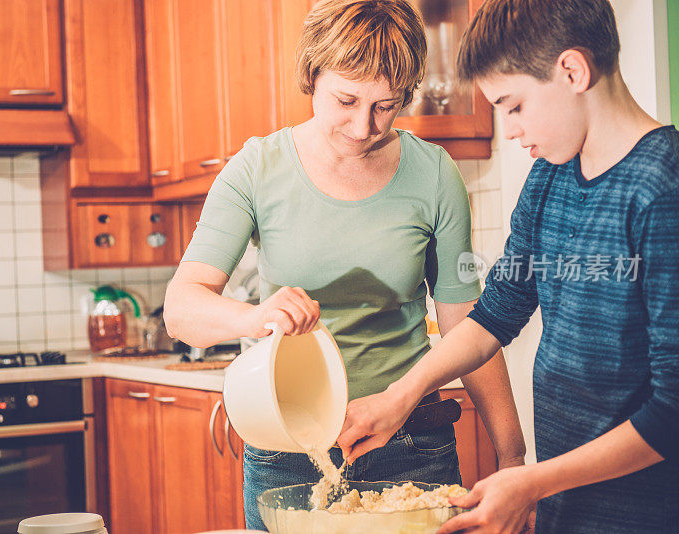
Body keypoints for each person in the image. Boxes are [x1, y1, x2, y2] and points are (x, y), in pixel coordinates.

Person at [163, 0, 526, 530]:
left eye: (386, 106)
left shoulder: (435, 175)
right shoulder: (257, 169)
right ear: (312, 74)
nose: (363, 127)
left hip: (411, 442)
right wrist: (253, 317)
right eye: (347, 99)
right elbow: (181, 306)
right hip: (285, 447)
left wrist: (513, 457)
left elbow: (466, 324)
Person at [336, 0, 679, 532]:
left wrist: (534, 480)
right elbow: (496, 313)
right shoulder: (549, 178)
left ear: (572, 70)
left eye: (514, 105)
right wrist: (400, 397)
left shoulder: (664, 190)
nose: (511, 130)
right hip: (567, 507)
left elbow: (672, 414)